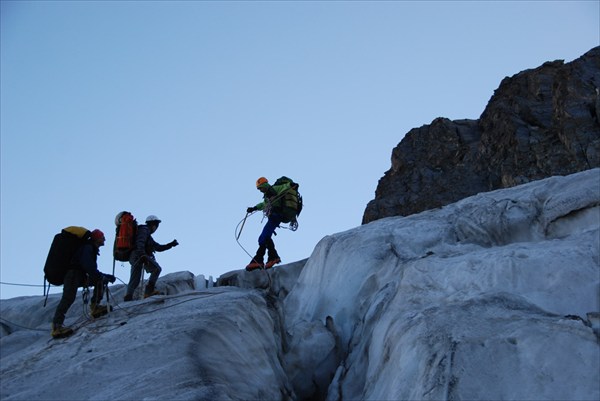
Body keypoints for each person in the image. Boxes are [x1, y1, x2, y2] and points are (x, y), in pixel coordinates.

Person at [51, 229, 116, 339]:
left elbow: (90, 268)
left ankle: (95, 307)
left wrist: (103, 276)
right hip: (73, 275)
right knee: (68, 298)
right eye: (102, 237)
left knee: (99, 281)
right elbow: (89, 266)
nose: (104, 239)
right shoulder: (88, 248)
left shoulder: (89, 248)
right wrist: (102, 276)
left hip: (77, 275)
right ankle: (57, 326)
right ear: (97, 238)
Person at [245, 177, 298, 271]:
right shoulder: (268, 195)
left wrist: (291, 185)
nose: (260, 190)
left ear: (264, 185)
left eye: (261, 188)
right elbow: (263, 204)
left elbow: (285, 187)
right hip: (275, 217)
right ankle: (271, 257)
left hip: (276, 216)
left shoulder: (274, 189)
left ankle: (260, 260)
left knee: (263, 237)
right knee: (265, 237)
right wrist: (254, 208)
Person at [123, 215, 178, 301]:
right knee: (156, 269)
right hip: (138, 255)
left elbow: (158, 247)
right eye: (156, 225)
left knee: (135, 278)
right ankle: (148, 292)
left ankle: (128, 297)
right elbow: (140, 242)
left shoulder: (146, 233)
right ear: (154, 225)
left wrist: (170, 245)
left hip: (134, 256)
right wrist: (142, 254)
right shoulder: (144, 230)